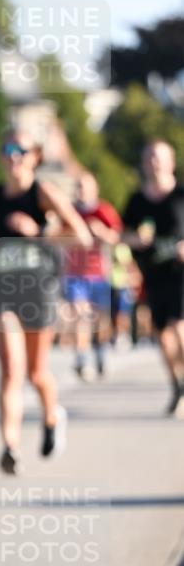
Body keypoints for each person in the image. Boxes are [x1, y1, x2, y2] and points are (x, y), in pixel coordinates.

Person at [0, 130, 92, 474]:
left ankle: (53, 416)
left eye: (21, 150)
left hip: (38, 290)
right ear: (1, 155)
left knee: (36, 372)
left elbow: (81, 236)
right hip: (4, 291)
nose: (14, 156)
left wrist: (39, 232)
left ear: (35, 157)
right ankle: (10, 447)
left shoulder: (42, 192)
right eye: (7, 149)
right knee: (10, 370)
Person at [122, 140, 184, 416]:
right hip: (154, 274)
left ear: (171, 162)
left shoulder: (181, 195)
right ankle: (177, 383)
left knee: (179, 326)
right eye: (149, 157)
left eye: (159, 157)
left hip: (181, 272)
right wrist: (135, 240)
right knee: (162, 336)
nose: (154, 162)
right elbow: (122, 235)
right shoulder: (137, 201)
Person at [61, 171, 122, 380]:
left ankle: (101, 352)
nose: (81, 191)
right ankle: (82, 358)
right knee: (80, 315)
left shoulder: (103, 210)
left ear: (94, 190)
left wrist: (101, 232)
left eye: (85, 187)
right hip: (74, 273)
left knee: (100, 319)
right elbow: (56, 236)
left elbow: (117, 238)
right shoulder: (68, 212)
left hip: (98, 273)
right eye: (78, 186)